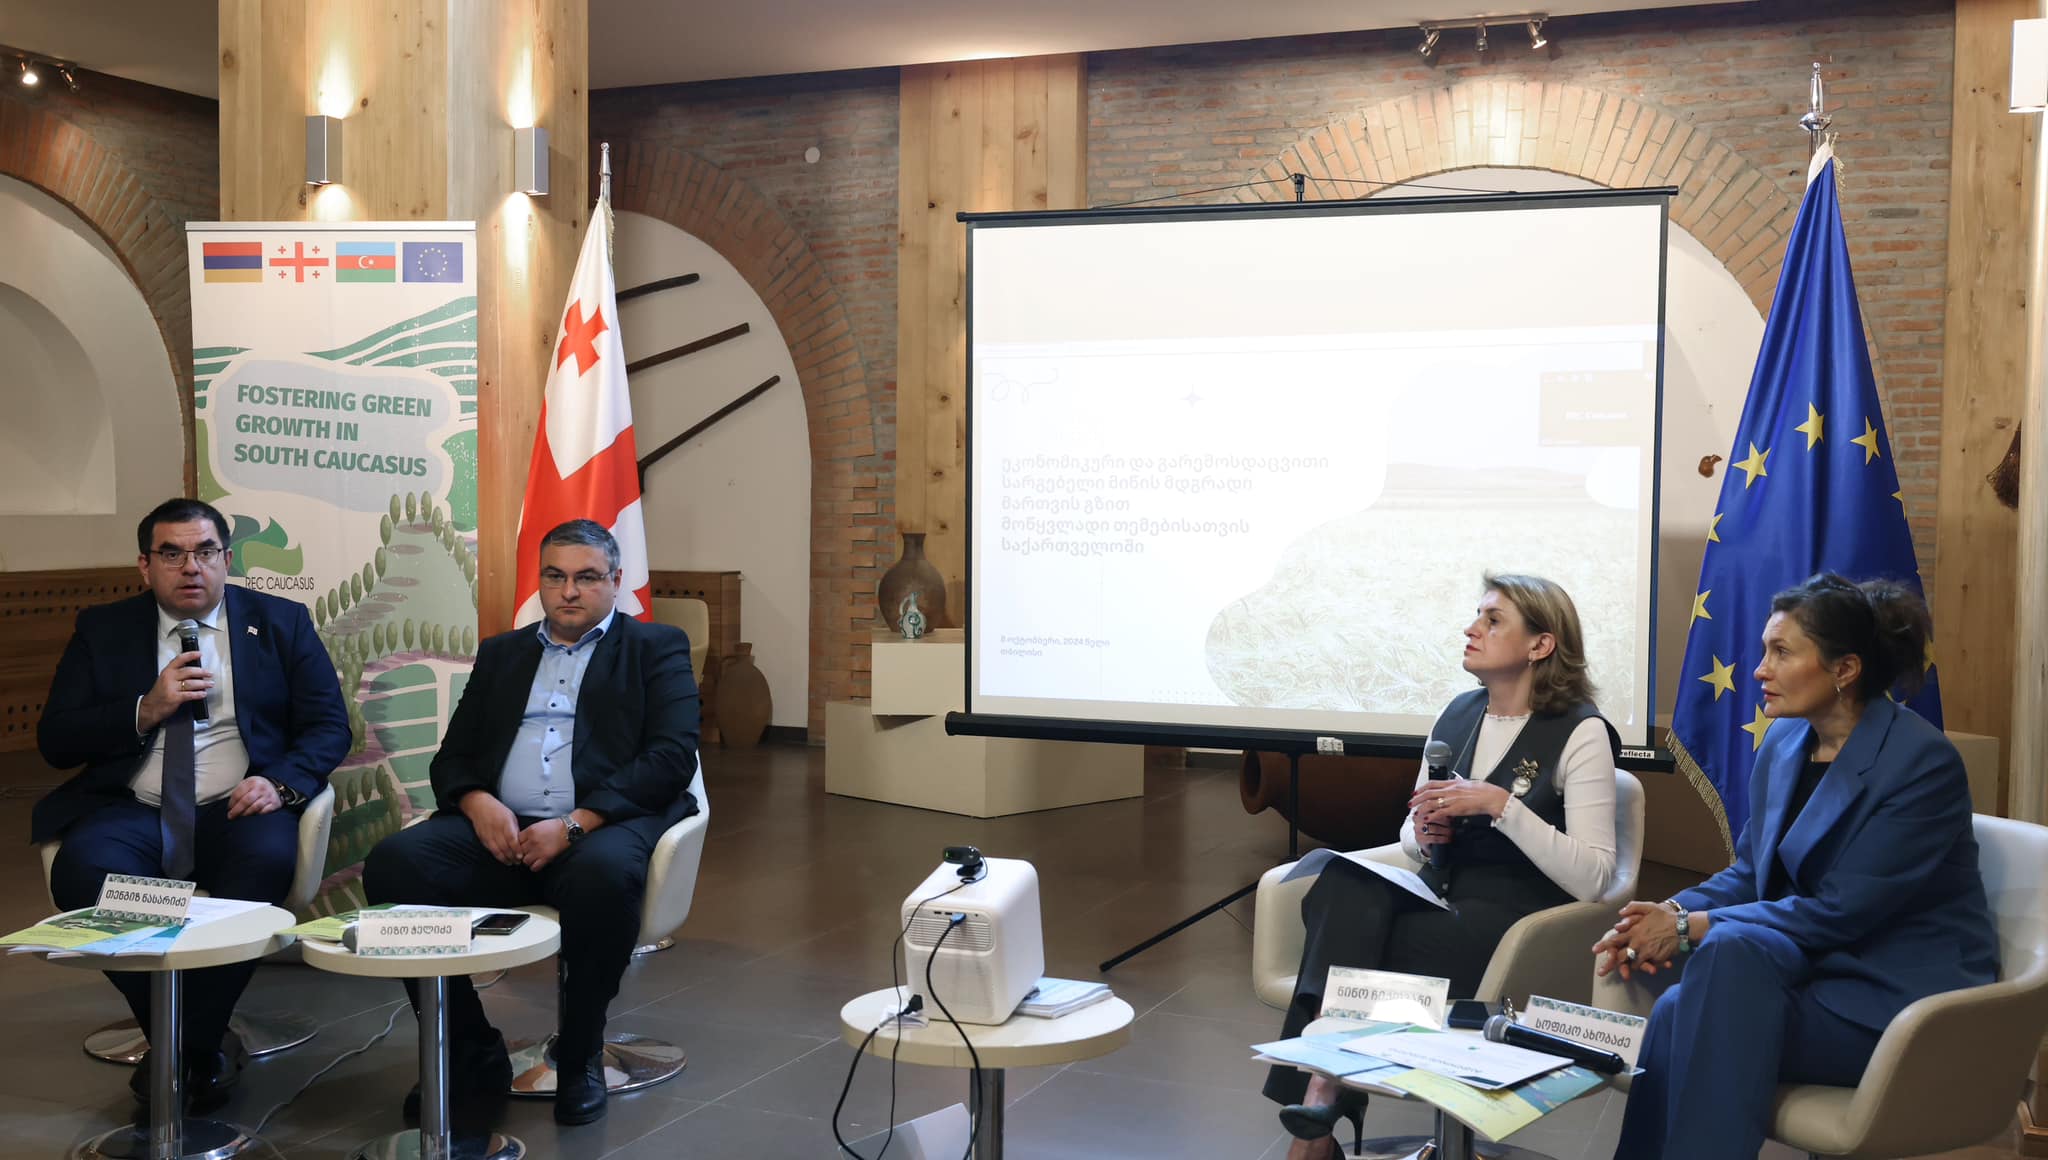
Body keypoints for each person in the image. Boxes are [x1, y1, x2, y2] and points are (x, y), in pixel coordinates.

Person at [1596, 573, 1997, 1160]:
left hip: (1892, 998)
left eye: (1781, 652)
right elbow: (1752, 873)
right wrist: (1665, 911)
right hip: (1809, 974)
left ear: (1845, 669)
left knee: (1716, 972)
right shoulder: (1785, 742)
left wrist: (1684, 929)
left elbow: (1841, 911)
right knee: (1683, 1004)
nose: (1760, 670)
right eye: (1765, 651)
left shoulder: (1921, 763)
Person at [363, 518, 700, 1136]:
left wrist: (577, 823)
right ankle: (467, 1046)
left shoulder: (655, 648)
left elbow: (672, 757)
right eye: (555, 576)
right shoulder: (503, 653)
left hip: (600, 826)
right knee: (395, 864)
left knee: (603, 876)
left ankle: (580, 1054)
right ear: (539, 581)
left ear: (615, 580)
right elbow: (454, 757)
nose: (569, 591)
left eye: (587, 577)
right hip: (502, 832)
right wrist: (476, 802)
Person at [1266, 574, 1620, 1159]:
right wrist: (1425, 835)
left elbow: (1596, 876)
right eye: (1477, 615)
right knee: (1341, 884)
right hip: (1440, 895)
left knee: (1358, 953)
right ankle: (1323, 1095)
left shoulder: (1581, 731)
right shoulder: (1457, 714)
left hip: (1516, 921)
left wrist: (1502, 806)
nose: (1471, 629)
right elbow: (1412, 831)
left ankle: (1322, 1103)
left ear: (1540, 645)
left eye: (1493, 620)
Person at [36, 497, 350, 1111]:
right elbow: (56, 740)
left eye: (205, 552)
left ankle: (182, 1048)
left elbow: (328, 726)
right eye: (172, 554)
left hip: (238, 806)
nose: (191, 567)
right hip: (136, 807)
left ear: (227, 559)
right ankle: (196, 1044)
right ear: (144, 565)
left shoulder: (280, 622)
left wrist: (279, 783)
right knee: (84, 872)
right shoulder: (104, 629)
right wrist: (144, 710)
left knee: (263, 864)